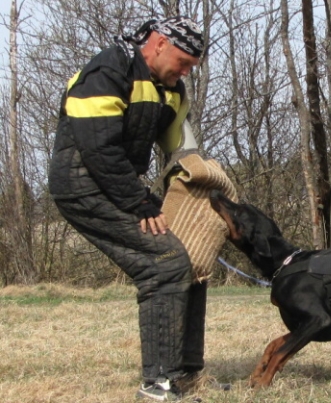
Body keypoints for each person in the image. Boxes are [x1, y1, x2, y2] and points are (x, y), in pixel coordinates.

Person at [49, 16, 211, 401]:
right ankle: (158, 384)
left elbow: (181, 150)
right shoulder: (108, 70)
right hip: (82, 185)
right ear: (158, 44)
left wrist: (204, 183)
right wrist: (139, 203)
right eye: (184, 62)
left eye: (192, 66)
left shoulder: (172, 89)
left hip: (118, 186)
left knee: (193, 256)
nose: (186, 71)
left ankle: (187, 374)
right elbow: (98, 150)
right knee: (165, 261)